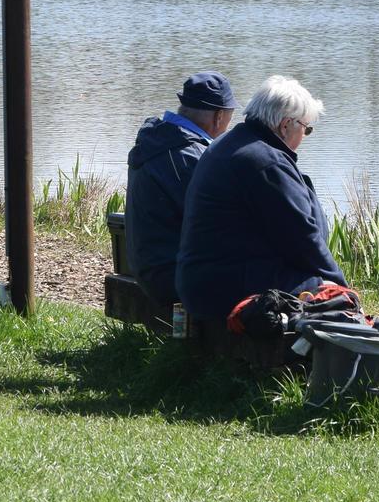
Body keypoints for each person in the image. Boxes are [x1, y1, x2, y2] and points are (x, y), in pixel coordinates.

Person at [175, 74, 347, 323]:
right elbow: (303, 238)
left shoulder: (228, 144)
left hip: (200, 282)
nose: (304, 137)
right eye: (306, 129)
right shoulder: (266, 162)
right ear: (286, 125)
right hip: (223, 290)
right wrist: (339, 284)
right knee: (327, 292)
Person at [123, 71, 237, 306]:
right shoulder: (190, 156)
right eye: (229, 119)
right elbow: (221, 223)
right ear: (219, 117)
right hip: (172, 278)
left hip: (148, 267)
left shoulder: (157, 140)